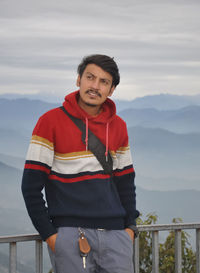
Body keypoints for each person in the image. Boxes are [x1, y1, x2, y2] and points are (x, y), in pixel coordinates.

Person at [22, 54, 139, 273]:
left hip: (116, 236)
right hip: (70, 236)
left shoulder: (118, 126)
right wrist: (52, 236)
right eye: (90, 78)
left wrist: (129, 229)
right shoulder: (50, 122)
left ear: (111, 90)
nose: (95, 86)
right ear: (79, 80)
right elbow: (30, 186)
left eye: (104, 82)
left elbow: (126, 182)